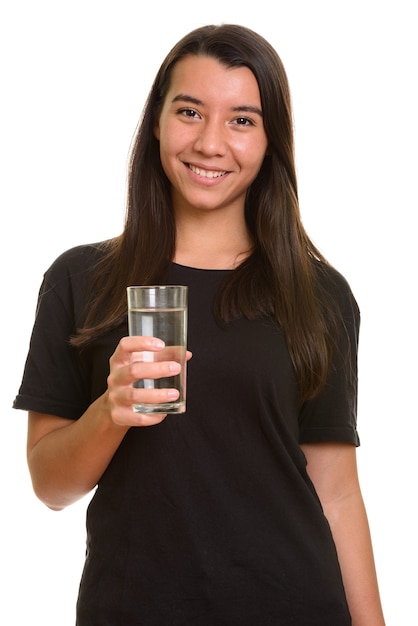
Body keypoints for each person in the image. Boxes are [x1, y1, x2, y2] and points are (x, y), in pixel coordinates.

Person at [13, 23, 386, 625]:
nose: (211, 143)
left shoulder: (318, 294)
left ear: (271, 142)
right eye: (190, 111)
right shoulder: (82, 279)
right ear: (156, 122)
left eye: (242, 120)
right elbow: (50, 486)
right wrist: (110, 410)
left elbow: (337, 493)